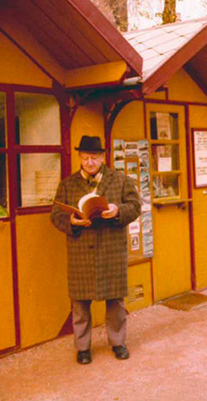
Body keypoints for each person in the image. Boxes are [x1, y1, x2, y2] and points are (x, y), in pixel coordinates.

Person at [51, 135, 141, 365]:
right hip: (81, 250)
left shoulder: (120, 180)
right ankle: (82, 348)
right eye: (85, 157)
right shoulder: (68, 184)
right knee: (80, 304)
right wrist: (72, 220)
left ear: (102, 157)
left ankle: (118, 342)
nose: (89, 162)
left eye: (94, 157)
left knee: (115, 302)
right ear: (80, 158)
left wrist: (117, 210)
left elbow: (135, 206)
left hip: (111, 248)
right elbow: (56, 214)